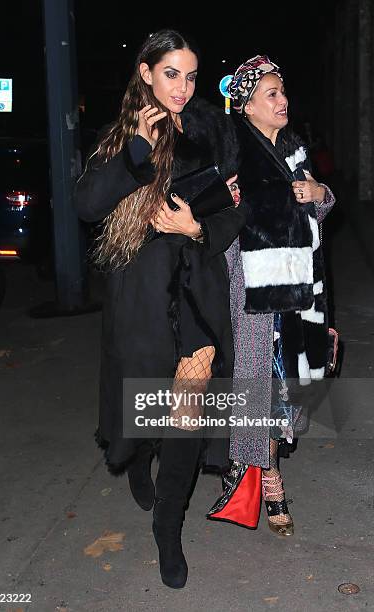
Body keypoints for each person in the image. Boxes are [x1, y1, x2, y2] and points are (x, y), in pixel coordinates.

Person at [74, 30, 245, 588]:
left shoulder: (210, 131)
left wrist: (197, 226)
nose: (182, 86)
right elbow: (87, 205)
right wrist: (137, 154)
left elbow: (236, 212)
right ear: (146, 73)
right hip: (142, 295)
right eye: (172, 73)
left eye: (191, 75)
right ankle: (139, 456)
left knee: (187, 411)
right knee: (148, 402)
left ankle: (168, 529)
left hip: (197, 287)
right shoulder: (118, 138)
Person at [214, 55, 335, 536]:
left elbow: (322, 211)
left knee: (280, 390)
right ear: (245, 105)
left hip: (297, 289)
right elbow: (215, 218)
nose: (283, 101)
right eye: (271, 94)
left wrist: (318, 192)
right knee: (256, 388)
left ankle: (262, 471)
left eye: (283, 92)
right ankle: (271, 484)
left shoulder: (295, 148)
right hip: (250, 289)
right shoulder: (231, 151)